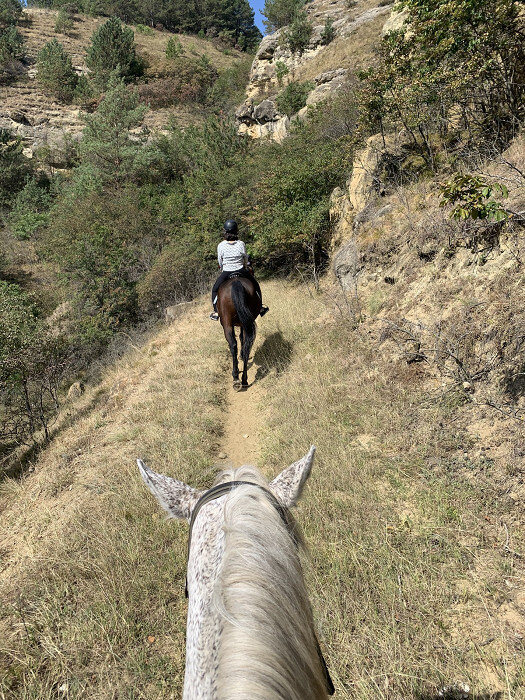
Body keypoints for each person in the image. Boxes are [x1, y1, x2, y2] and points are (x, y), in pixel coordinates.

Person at [210, 219, 269, 321]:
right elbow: (245, 258)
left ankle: (216, 311)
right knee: (255, 285)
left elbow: (220, 260)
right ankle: (260, 308)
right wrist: (245, 265)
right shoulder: (241, 243)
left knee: (215, 289)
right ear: (236, 231)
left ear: (225, 232)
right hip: (241, 270)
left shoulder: (221, 245)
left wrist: (222, 266)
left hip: (227, 271)